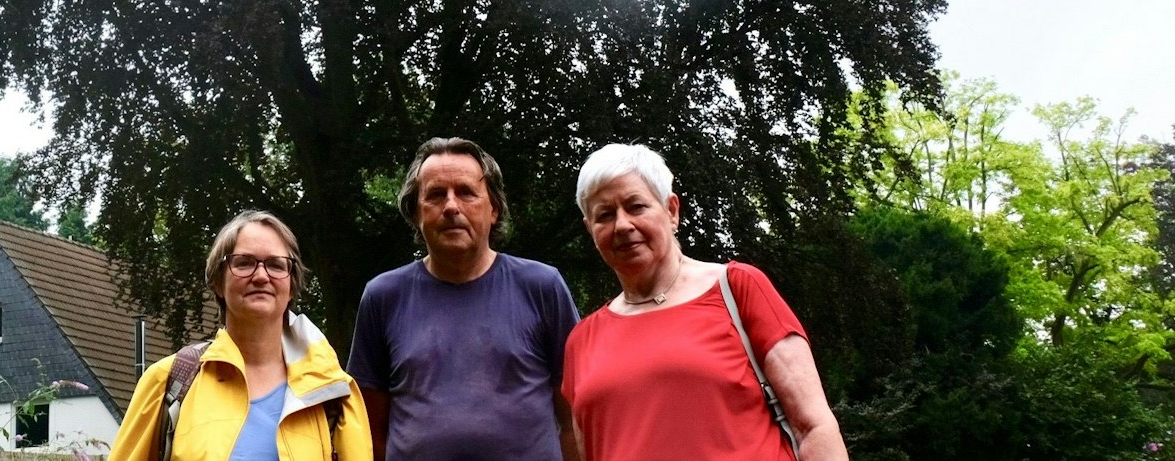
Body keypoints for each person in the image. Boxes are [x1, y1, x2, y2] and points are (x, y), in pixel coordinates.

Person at [562, 143, 848, 461]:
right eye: (605, 215)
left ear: (671, 211)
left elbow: (814, 427)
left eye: (636, 206)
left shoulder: (736, 289)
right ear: (591, 230)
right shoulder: (582, 341)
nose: (623, 225)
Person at [347, 137, 582, 461]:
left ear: (494, 209)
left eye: (466, 192)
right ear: (416, 212)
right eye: (435, 195)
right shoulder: (383, 297)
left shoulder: (542, 287)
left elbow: (575, 418)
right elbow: (368, 429)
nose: (451, 207)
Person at [109, 209, 373, 461]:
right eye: (244, 263)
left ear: (292, 286)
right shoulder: (169, 383)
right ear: (217, 281)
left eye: (276, 265)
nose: (261, 276)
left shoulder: (334, 394)